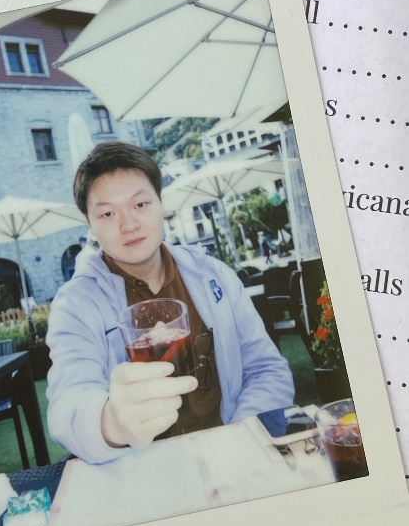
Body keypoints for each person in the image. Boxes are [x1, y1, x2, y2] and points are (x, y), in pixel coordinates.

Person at [46, 142, 294, 464]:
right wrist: (112, 423)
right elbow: (68, 402)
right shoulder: (75, 305)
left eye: (140, 204)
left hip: (232, 455)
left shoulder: (214, 275)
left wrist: (240, 437)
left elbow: (266, 368)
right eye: (107, 213)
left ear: (161, 204)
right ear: (89, 224)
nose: (129, 224)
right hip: (140, 473)